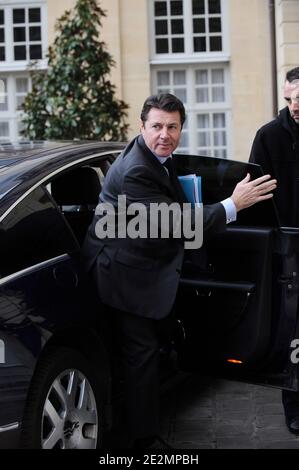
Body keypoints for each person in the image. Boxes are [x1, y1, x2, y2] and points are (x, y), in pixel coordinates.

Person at [82, 93, 276, 448]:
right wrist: (233, 204)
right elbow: (177, 223)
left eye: (172, 127)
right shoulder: (136, 171)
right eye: (156, 126)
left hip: (138, 257)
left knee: (149, 352)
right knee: (140, 358)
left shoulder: (154, 157)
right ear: (142, 127)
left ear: (181, 129)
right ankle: (142, 441)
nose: (164, 135)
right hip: (124, 274)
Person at [249, 67, 299, 435]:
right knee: (292, 333)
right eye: (288, 99)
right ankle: (294, 406)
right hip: (288, 252)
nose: (294, 106)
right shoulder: (267, 136)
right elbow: (255, 198)